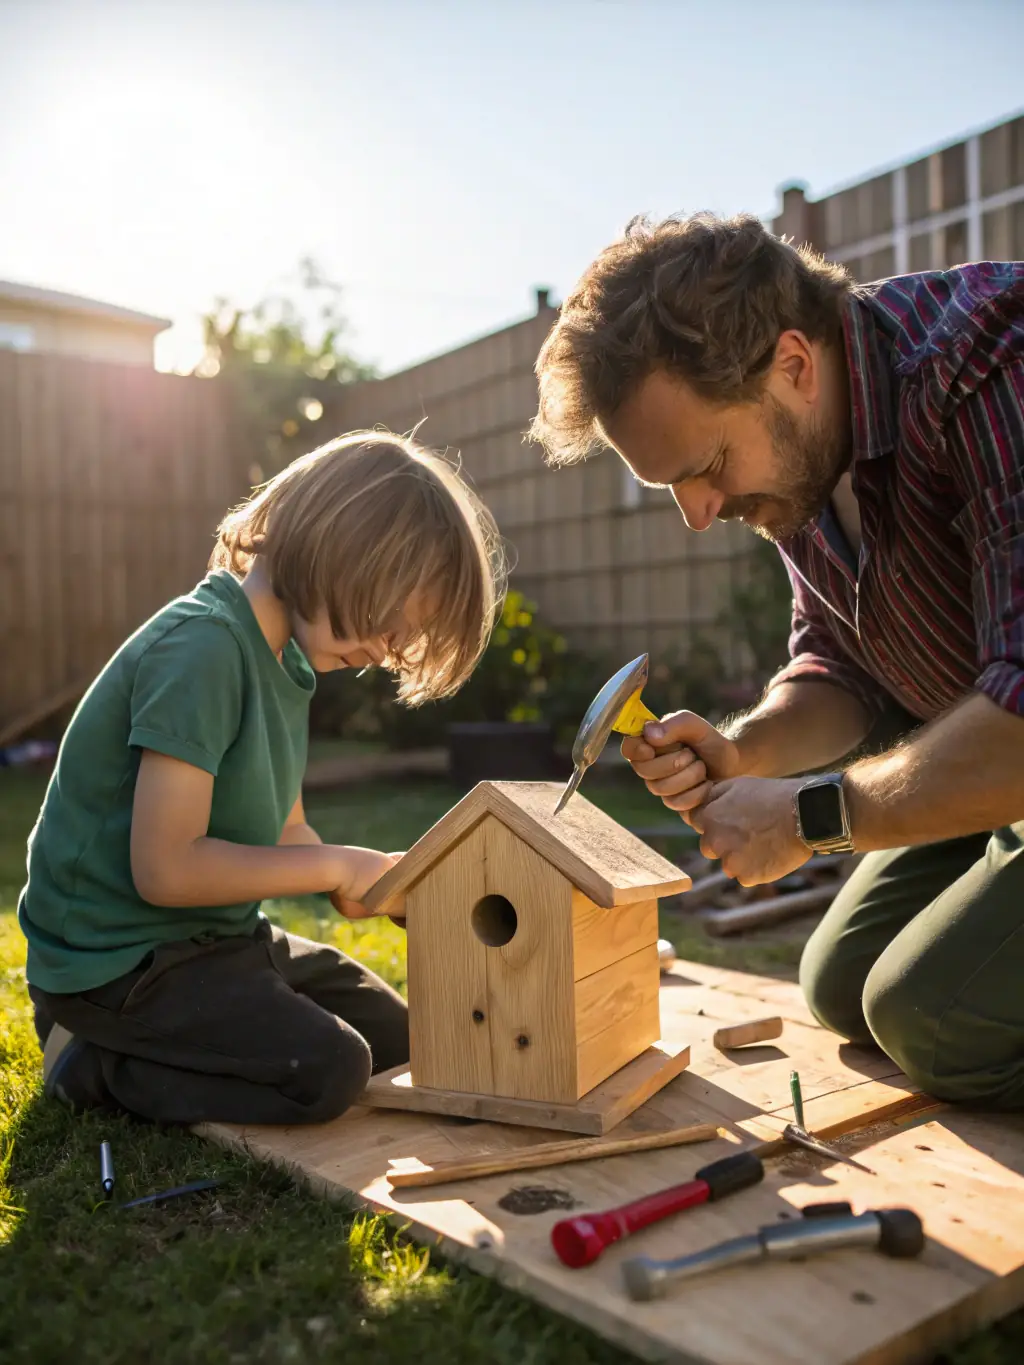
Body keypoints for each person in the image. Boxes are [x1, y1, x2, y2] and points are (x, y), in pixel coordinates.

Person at [529, 212, 1024, 1109]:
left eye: (708, 464)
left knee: (933, 1017)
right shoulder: (800, 455)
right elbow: (841, 662)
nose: (700, 511)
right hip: (1001, 774)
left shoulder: (989, 370)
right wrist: (746, 749)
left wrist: (809, 817)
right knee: (842, 984)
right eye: (675, 484)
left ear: (793, 364)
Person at [22, 429, 504, 1125]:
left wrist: (370, 881)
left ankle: (181, 1033)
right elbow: (165, 869)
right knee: (328, 1071)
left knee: (405, 1040)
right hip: (116, 967)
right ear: (340, 548)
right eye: (389, 616)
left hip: (214, 940)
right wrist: (337, 864)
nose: (388, 648)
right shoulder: (204, 648)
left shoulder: (288, 665)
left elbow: (286, 832)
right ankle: (94, 1062)